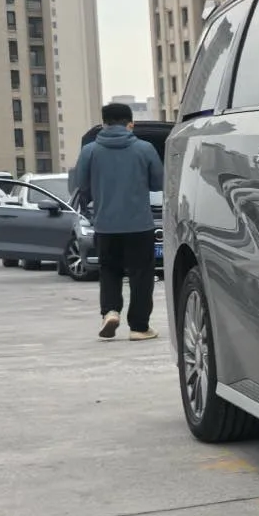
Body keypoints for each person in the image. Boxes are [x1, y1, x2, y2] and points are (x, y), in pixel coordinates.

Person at [70, 102, 165, 340]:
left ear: (104, 123)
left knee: (109, 270)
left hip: (105, 224)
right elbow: (158, 183)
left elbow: (81, 185)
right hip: (140, 225)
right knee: (141, 275)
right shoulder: (145, 149)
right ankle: (139, 327)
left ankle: (111, 311)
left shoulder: (90, 151)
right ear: (130, 123)